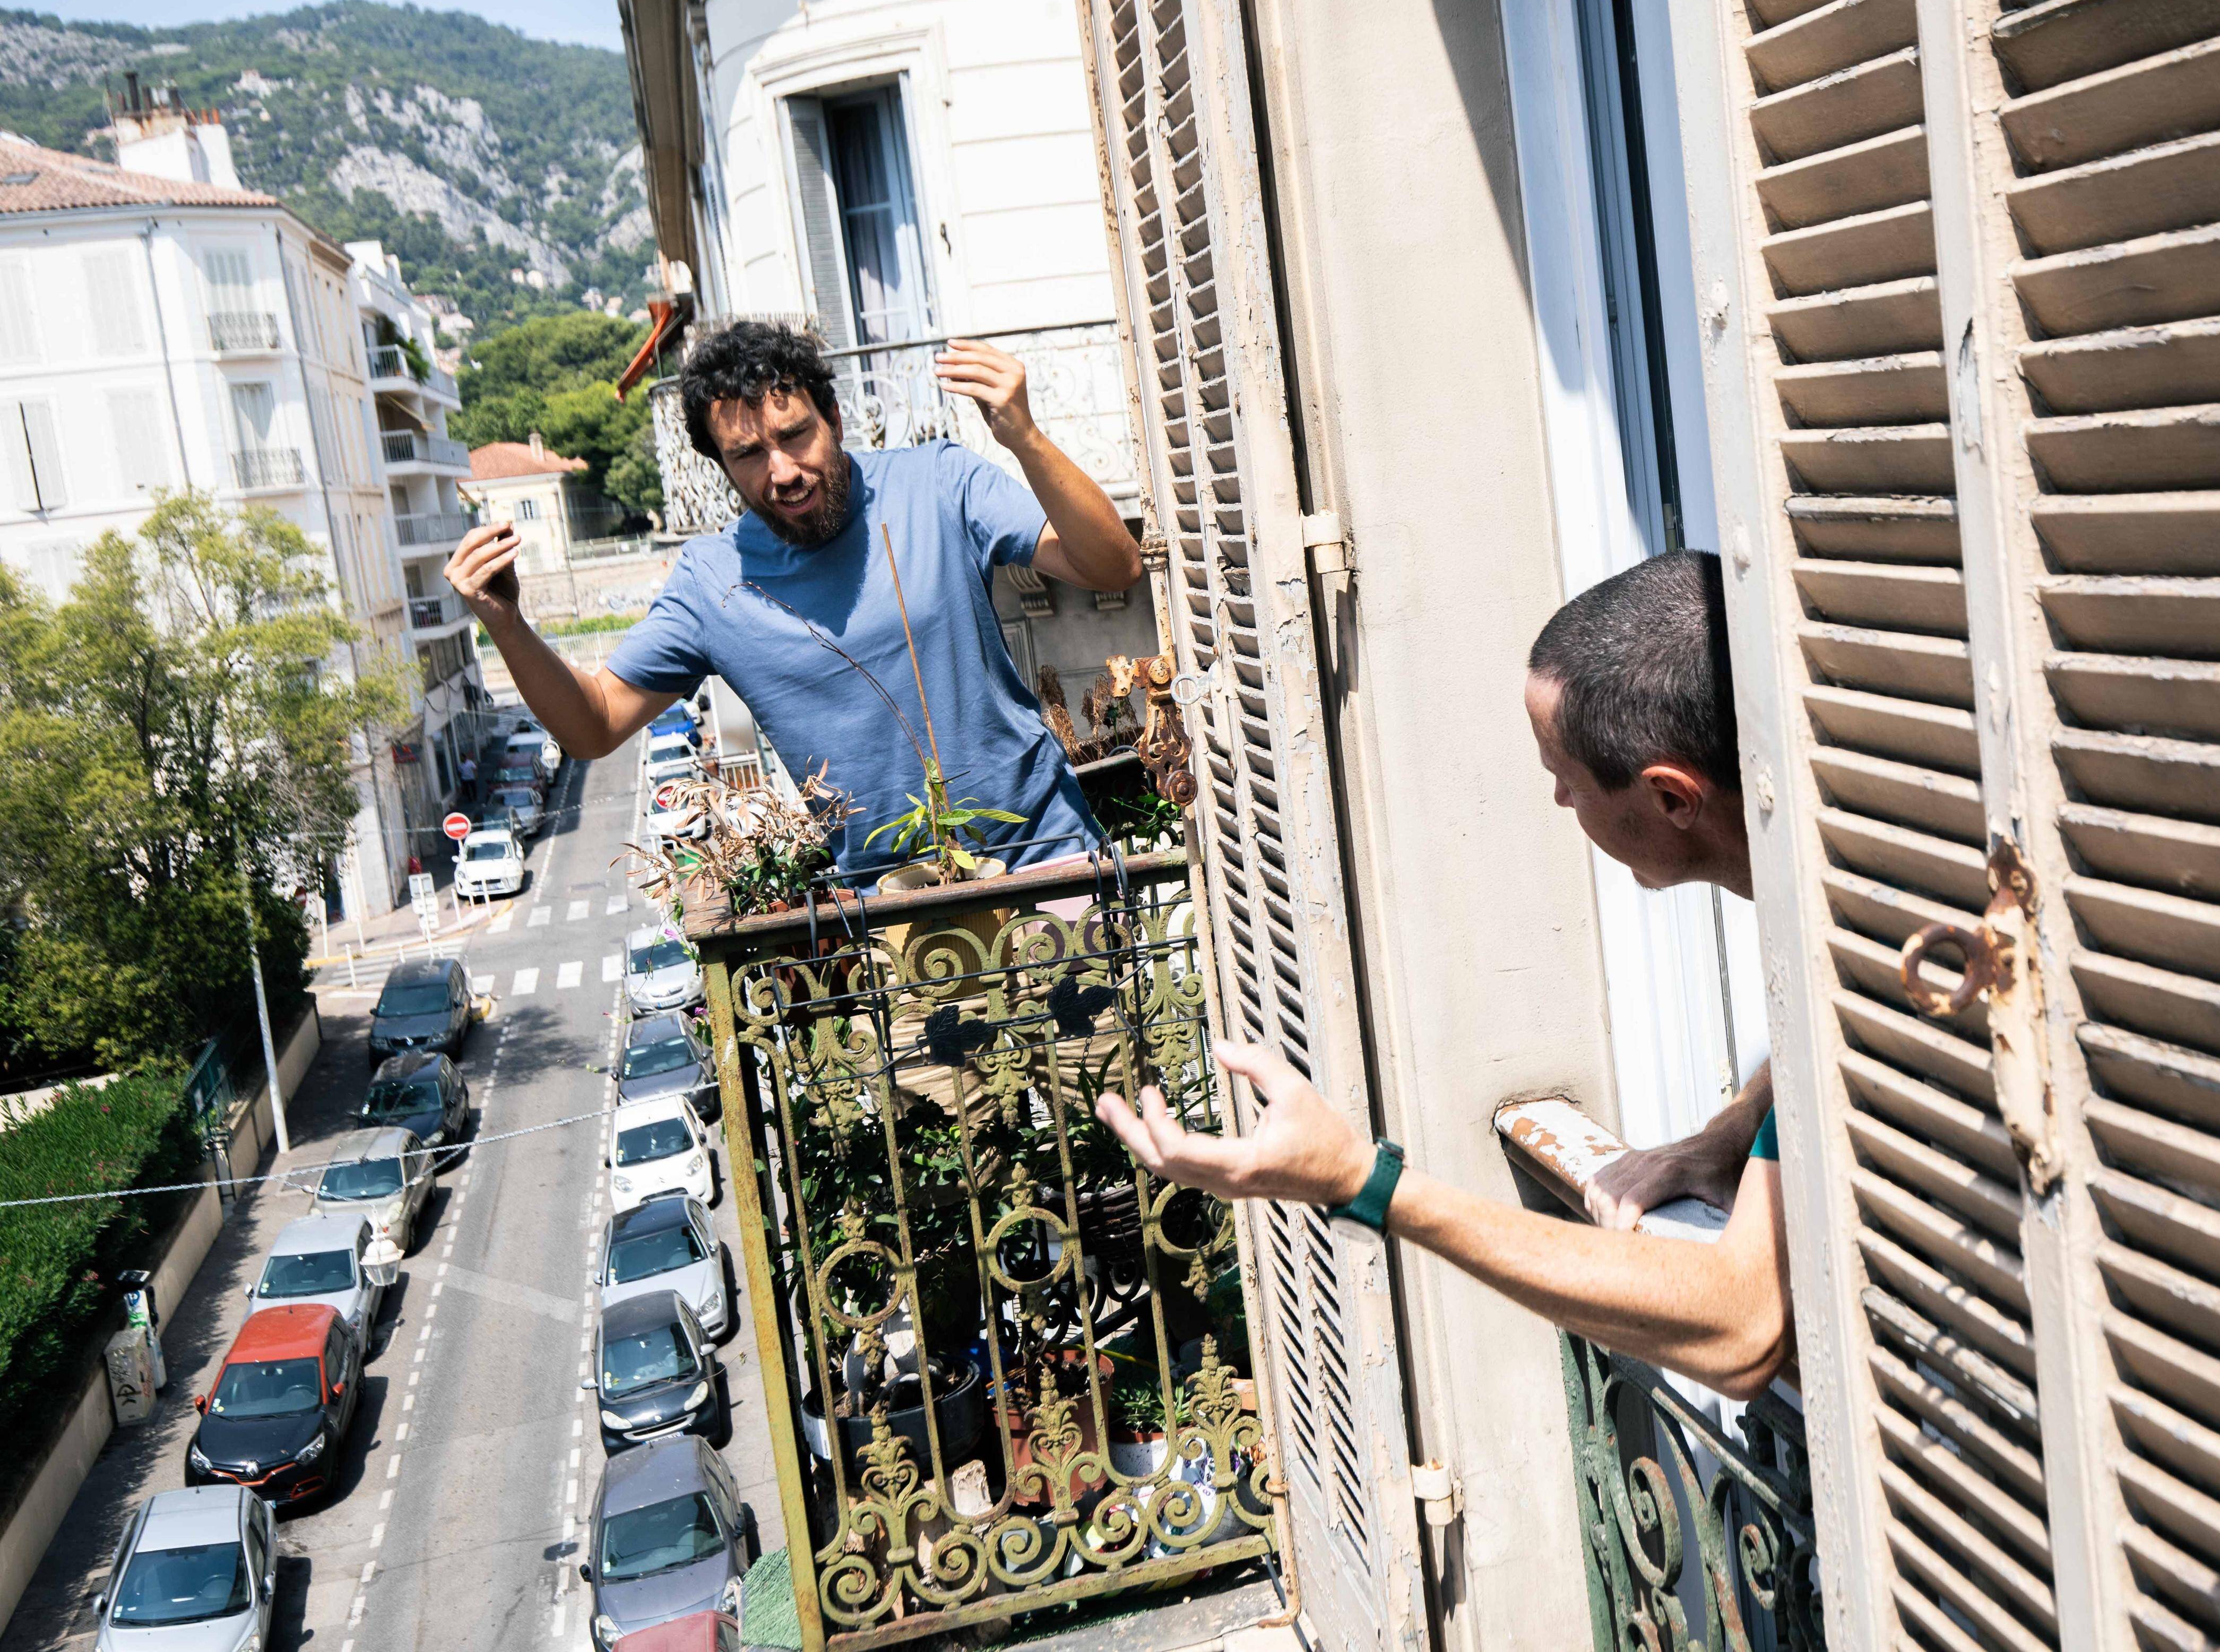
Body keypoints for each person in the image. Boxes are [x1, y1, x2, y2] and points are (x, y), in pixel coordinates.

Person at [1098, 551, 1792, 1398]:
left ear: (1672, 798)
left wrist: (1364, 1180)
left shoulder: (1853, 952)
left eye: (1566, 780)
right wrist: (1725, 1139)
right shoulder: (1833, 869)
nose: (1561, 806)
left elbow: (1745, 1327)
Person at [443, 322, 1143, 879]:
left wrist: (1024, 436)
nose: (781, 471)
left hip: (1051, 862)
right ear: (722, 466)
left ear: (833, 417)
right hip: (899, 916)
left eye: (794, 435)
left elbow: (1112, 564)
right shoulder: (712, 583)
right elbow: (594, 725)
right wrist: (506, 623)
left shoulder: (938, 482)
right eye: (748, 453)